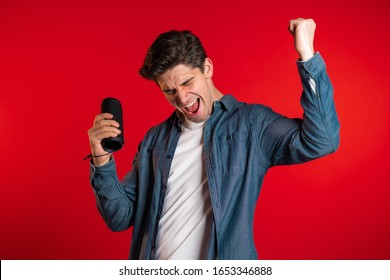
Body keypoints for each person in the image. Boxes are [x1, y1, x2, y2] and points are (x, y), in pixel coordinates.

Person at [87, 18, 340, 260]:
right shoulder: (155, 140)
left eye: (187, 82)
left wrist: (307, 55)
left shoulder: (252, 124)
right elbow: (119, 217)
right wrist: (101, 157)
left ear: (207, 68)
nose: (183, 98)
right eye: (169, 91)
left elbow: (322, 140)